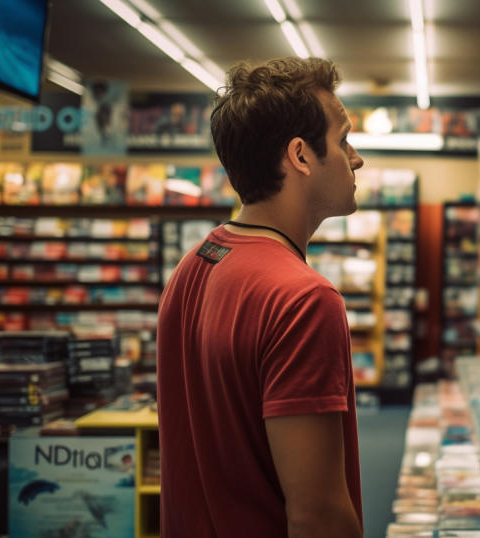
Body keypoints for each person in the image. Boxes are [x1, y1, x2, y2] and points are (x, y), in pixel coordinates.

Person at [156, 57, 364, 538]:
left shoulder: (194, 264)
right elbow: (318, 516)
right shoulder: (304, 300)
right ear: (301, 156)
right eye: (344, 140)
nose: (356, 158)